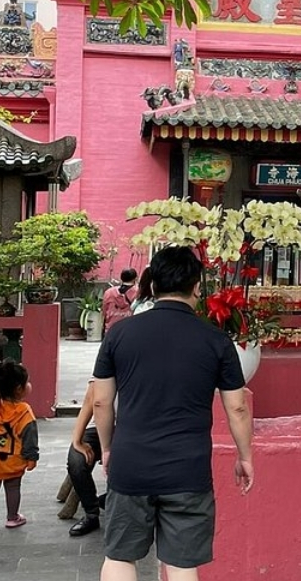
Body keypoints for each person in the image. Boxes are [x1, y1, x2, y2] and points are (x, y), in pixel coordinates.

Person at [93, 245, 253, 581]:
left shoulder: (119, 333)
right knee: (181, 564)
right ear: (197, 286)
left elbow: (101, 402)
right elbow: (236, 405)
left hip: (131, 462)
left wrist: (108, 449)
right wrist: (244, 455)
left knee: (120, 556)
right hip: (187, 470)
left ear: (152, 284)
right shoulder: (215, 340)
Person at [0, 359, 39, 534]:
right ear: (19, 388)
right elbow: (30, 437)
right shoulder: (24, 412)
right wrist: (32, 457)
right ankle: (12, 517)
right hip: (13, 462)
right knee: (13, 488)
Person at [66, 379, 105, 536]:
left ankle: (111, 500)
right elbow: (90, 399)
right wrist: (77, 440)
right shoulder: (111, 357)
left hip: (133, 430)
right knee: (76, 461)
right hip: (99, 427)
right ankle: (91, 513)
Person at [101, 268, 139, 333]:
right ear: (135, 278)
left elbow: (104, 311)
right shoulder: (138, 292)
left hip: (111, 329)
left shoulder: (109, 292)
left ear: (121, 278)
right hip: (129, 329)